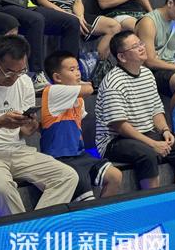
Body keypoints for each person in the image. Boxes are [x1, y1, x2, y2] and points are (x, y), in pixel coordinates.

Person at [95, 31, 175, 190]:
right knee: (148, 154)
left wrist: (165, 130)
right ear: (122, 57)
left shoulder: (147, 74)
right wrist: (153, 144)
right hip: (115, 141)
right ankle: (153, 201)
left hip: (146, 133)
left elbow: (156, 110)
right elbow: (120, 126)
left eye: (141, 43)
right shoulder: (113, 82)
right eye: (135, 46)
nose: (141, 48)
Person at [0, 35, 78, 216]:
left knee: (67, 176)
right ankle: (23, 229)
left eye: (21, 71)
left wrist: (29, 127)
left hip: (18, 150)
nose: (14, 78)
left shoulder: (24, 81)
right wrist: (0, 122)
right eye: (9, 72)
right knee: (1, 188)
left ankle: (36, 227)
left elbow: (24, 132)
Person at [41, 51, 122, 201]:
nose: (78, 73)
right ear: (57, 77)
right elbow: (89, 89)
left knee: (115, 176)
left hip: (79, 154)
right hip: (59, 158)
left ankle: (101, 212)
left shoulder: (78, 98)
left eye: (78, 68)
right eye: (71, 70)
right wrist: (87, 84)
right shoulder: (52, 91)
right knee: (87, 199)